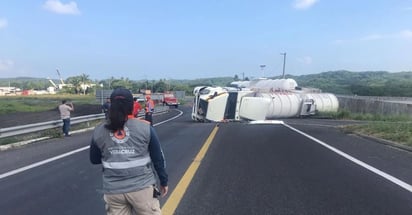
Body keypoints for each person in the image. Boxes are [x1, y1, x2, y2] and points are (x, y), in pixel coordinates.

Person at [89, 87, 168, 215]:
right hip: (142, 188)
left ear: (111, 105)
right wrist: (163, 181)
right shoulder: (145, 128)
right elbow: (158, 158)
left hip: (113, 191)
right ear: (132, 105)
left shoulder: (99, 130)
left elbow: (94, 159)